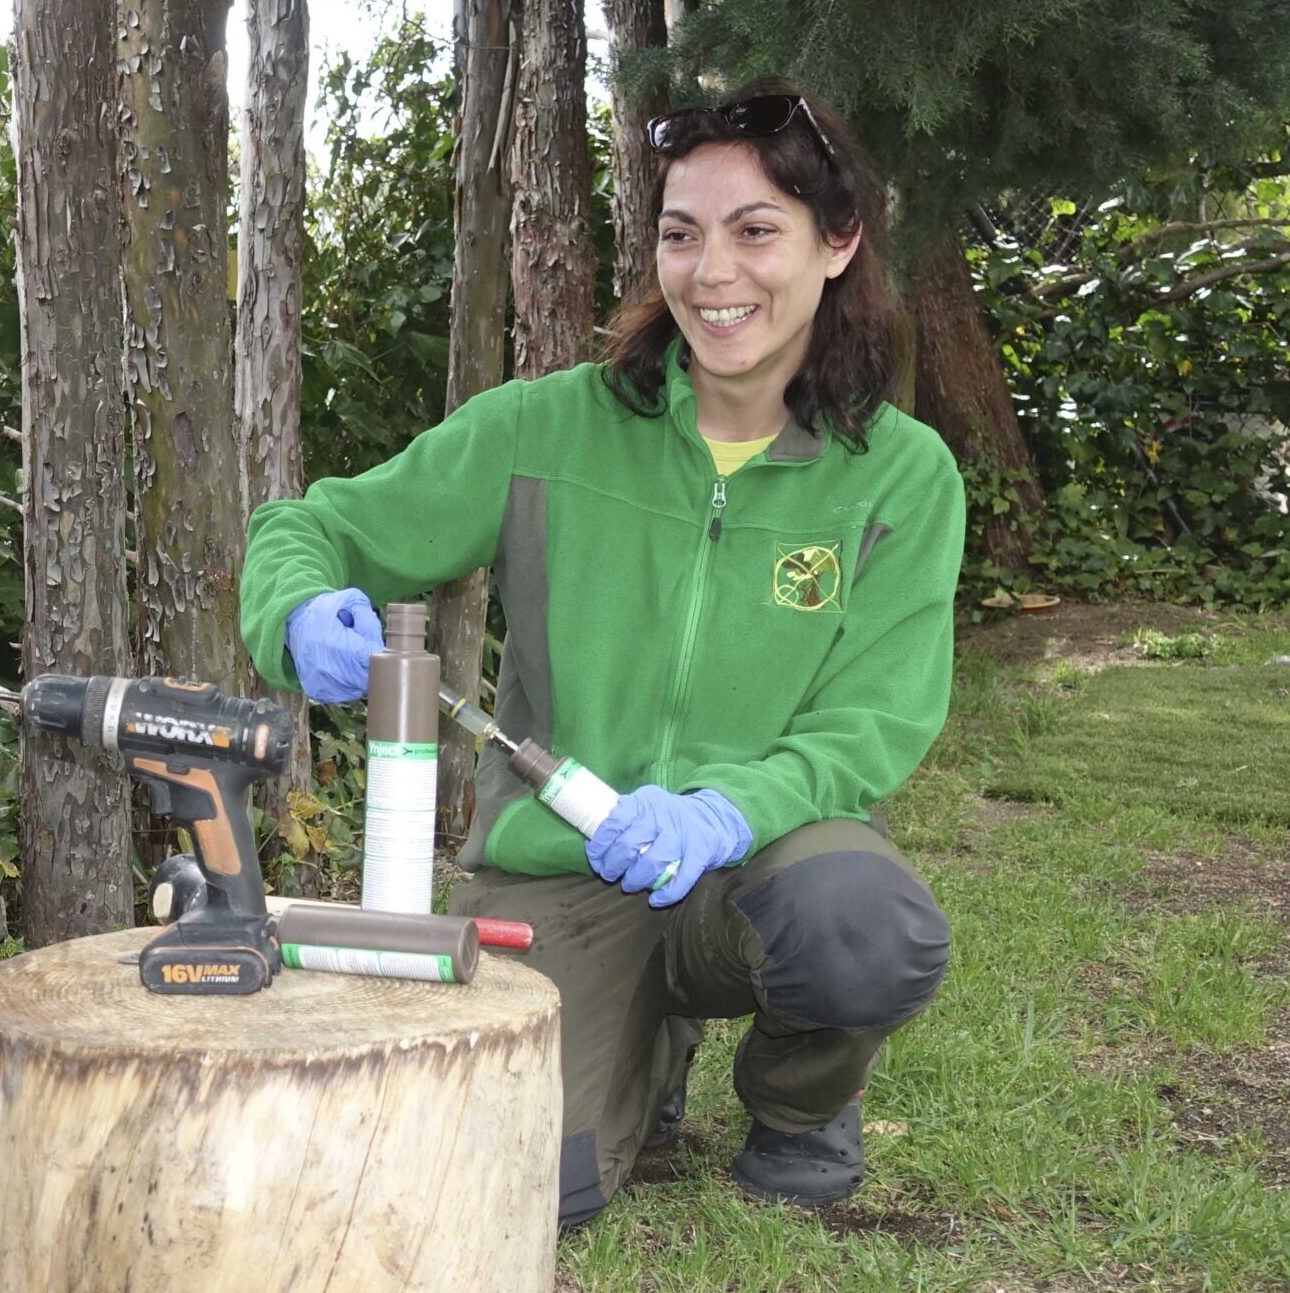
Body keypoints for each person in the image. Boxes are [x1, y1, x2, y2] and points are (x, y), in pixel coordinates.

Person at [239, 80, 963, 1221]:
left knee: (863, 926)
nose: (712, 273)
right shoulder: (547, 426)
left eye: (754, 231)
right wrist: (296, 606)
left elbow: (871, 722)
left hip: (758, 855)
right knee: (514, 1187)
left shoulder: (902, 474)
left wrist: (721, 811)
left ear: (837, 243)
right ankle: (638, 1058)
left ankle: (800, 1102)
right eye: (681, 234)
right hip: (560, 872)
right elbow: (315, 526)